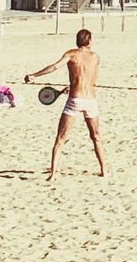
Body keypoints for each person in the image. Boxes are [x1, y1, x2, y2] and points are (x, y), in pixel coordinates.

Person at [25, 29, 106, 181]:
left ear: (77, 41)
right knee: (96, 136)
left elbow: (55, 67)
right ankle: (104, 170)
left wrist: (34, 75)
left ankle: (54, 174)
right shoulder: (96, 57)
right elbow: (91, 79)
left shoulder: (71, 54)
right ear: (89, 42)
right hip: (90, 100)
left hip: (75, 99)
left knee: (61, 138)